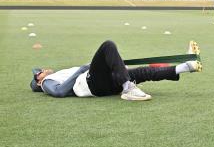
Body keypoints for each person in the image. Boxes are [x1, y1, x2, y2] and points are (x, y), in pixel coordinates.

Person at [30, 40, 202, 101]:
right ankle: (128, 88)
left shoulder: (58, 74)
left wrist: (118, 68)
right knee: (107, 46)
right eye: (40, 72)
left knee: (142, 73)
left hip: (101, 84)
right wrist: (83, 68)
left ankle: (187, 66)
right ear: (38, 80)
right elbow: (59, 92)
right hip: (90, 84)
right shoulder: (46, 83)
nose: (43, 70)